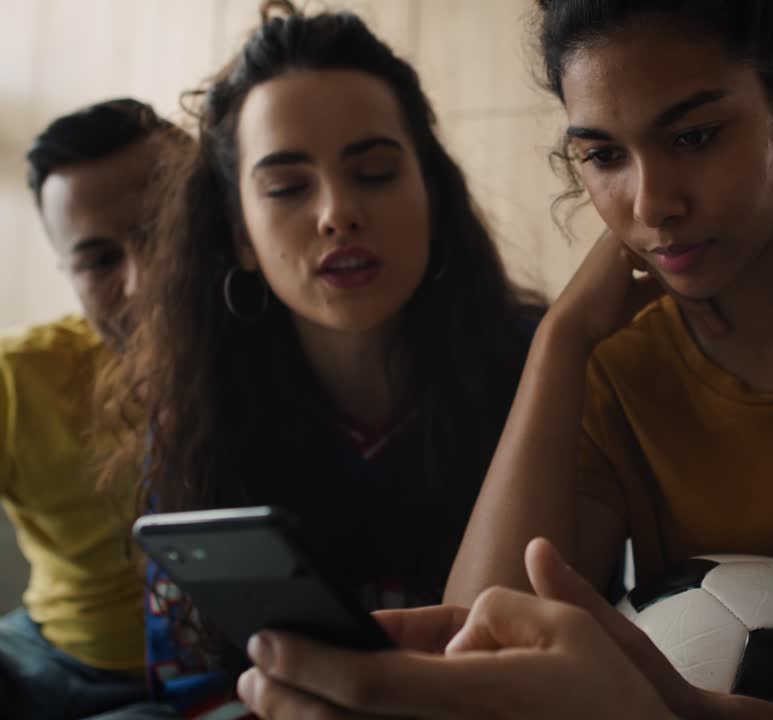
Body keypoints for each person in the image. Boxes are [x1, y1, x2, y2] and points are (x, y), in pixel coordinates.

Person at [236, 1, 773, 718]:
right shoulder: (616, 371)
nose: (652, 203)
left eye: (695, 136)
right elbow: (477, 651)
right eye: (604, 156)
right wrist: (563, 339)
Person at [97, 1, 541, 716]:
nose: (337, 212)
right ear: (239, 234)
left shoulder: (537, 370)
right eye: (287, 188)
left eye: (373, 172)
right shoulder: (201, 422)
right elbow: (189, 682)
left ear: (431, 191)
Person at [0, 99, 183, 720]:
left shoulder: (309, 357)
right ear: (67, 274)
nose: (142, 281)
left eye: (163, 234)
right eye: (100, 259)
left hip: (202, 684)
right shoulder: (19, 374)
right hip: (37, 660)